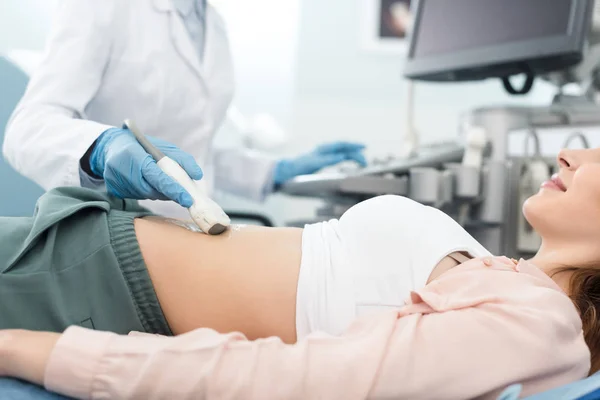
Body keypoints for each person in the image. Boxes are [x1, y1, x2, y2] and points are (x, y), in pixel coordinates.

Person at [0, 146, 598, 399]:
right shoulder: (514, 286)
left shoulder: (540, 326)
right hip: (70, 248)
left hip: (71, 293)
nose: (571, 153)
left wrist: (33, 352)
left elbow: (285, 379)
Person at [1, 0, 367, 218]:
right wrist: (102, 147)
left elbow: (188, 152)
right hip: (106, 233)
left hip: (186, 235)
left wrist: (275, 171)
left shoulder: (211, 22)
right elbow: (27, 129)